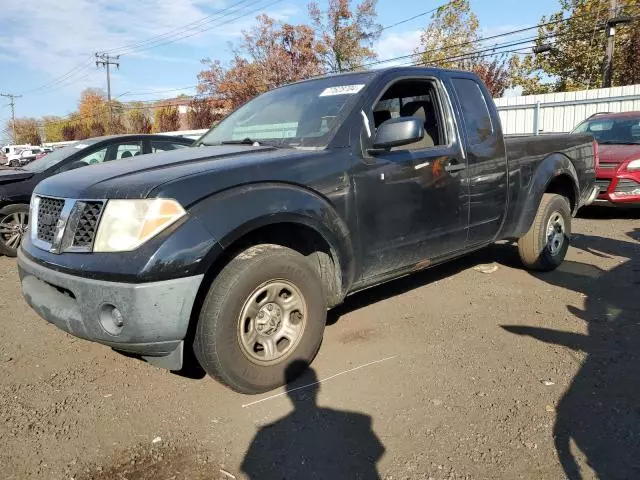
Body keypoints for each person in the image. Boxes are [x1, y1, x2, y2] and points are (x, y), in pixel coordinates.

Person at [241, 361, 385, 479]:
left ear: (287, 393)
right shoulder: (360, 420)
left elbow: (250, 469)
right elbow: (376, 452)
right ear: (317, 387)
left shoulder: (264, 434)